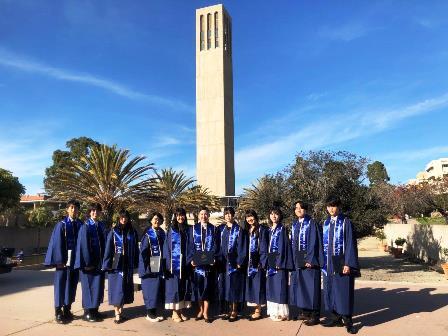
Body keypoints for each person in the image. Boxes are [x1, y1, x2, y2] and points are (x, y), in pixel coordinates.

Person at [321, 196, 360, 334]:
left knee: (344, 291)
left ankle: (348, 321)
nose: (331, 208)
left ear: (339, 206)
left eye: (334, 206)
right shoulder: (325, 223)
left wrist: (348, 263)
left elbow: (350, 244)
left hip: (341, 261)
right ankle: (335, 318)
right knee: (330, 289)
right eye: (329, 206)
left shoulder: (345, 222)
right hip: (328, 262)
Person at [44, 199, 82, 324]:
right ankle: (58, 311)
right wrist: (59, 260)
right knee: (61, 285)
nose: (74, 210)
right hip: (63, 262)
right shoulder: (62, 225)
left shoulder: (80, 224)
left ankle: (67, 309)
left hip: (75, 262)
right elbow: (56, 243)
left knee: (72, 285)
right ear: (67, 209)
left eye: (76, 208)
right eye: (71, 207)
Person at [289, 201, 323, 325]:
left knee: (311, 287)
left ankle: (315, 315)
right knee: (301, 287)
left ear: (306, 210)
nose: (298, 210)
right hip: (298, 261)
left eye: (301, 208)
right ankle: (305, 312)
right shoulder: (294, 224)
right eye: (296, 208)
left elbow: (314, 242)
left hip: (309, 263)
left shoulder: (311, 223)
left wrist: (310, 259)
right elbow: (293, 243)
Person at [102, 209, 139, 324]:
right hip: (116, 266)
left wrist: (136, 263)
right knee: (117, 289)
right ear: (119, 218)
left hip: (127, 265)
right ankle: (117, 314)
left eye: (126, 217)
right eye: (122, 217)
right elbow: (108, 249)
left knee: (125, 289)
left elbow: (136, 250)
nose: (124, 219)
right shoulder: (114, 231)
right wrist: (107, 264)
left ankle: (120, 312)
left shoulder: (132, 232)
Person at [75, 203, 107, 322]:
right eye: (93, 210)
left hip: (99, 263)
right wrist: (87, 263)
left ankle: (95, 310)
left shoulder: (101, 226)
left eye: (97, 211)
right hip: (89, 264)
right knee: (88, 288)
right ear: (89, 212)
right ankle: (87, 312)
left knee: (97, 287)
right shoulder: (86, 227)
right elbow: (84, 247)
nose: (95, 213)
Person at [187, 206, 218, 323]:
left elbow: (216, 245)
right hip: (197, 265)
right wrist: (191, 259)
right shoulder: (193, 229)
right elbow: (190, 246)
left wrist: (213, 257)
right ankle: (200, 310)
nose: (203, 216)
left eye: (205, 214)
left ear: (208, 215)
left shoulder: (213, 229)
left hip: (208, 265)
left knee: (207, 288)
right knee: (199, 288)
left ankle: (206, 312)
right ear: (198, 216)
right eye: (201, 214)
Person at [218, 206, 248, 322]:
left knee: (234, 287)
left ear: (233, 215)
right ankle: (228, 310)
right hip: (223, 264)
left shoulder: (239, 229)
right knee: (225, 287)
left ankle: (235, 310)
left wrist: (240, 261)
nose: (228, 216)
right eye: (226, 214)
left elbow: (242, 247)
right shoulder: (221, 229)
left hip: (234, 263)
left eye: (230, 214)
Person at [163, 208, 191, 322]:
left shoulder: (188, 230)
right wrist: (169, 264)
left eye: (182, 215)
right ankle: (174, 313)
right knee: (174, 288)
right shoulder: (172, 230)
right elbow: (167, 248)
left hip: (185, 263)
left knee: (182, 287)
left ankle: (180, 311)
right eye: (178, 216)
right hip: (174, 264)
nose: (180, 217)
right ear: (175, 217)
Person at [265, 207, 293, 321]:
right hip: (270, 261)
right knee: (272, 286)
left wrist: (279, 261)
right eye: (271, 214)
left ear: (280, 216)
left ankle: (282, 313)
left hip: (279, 263)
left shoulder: (282, 229)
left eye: (276, 214)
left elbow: (284, 246)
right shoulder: (269, 230)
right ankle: (273, 312)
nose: (274, 216)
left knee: (280, 286)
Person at [138, 212, 166, 322]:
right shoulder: (148, 234)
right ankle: (150, 314)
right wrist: (147, 267)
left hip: (159, 264)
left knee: (156, 289)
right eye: (155, 219)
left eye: (159, 219)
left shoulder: (162, 232)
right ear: (150, 220)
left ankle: (154, 313)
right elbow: (143, 252)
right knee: (150, 289)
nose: (157, 221)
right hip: (151, 264)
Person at [245, 209, 269, 321]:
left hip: (258, 263)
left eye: (251, 216)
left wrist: (262, 262)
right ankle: (255, 309)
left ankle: (258, 311)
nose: (250, 219)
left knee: (258, 286)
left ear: (255, 217)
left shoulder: (262, 230)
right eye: (247, 217)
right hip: (249, 263)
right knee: (252, 286)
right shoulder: (247, 230)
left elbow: (264, 247)